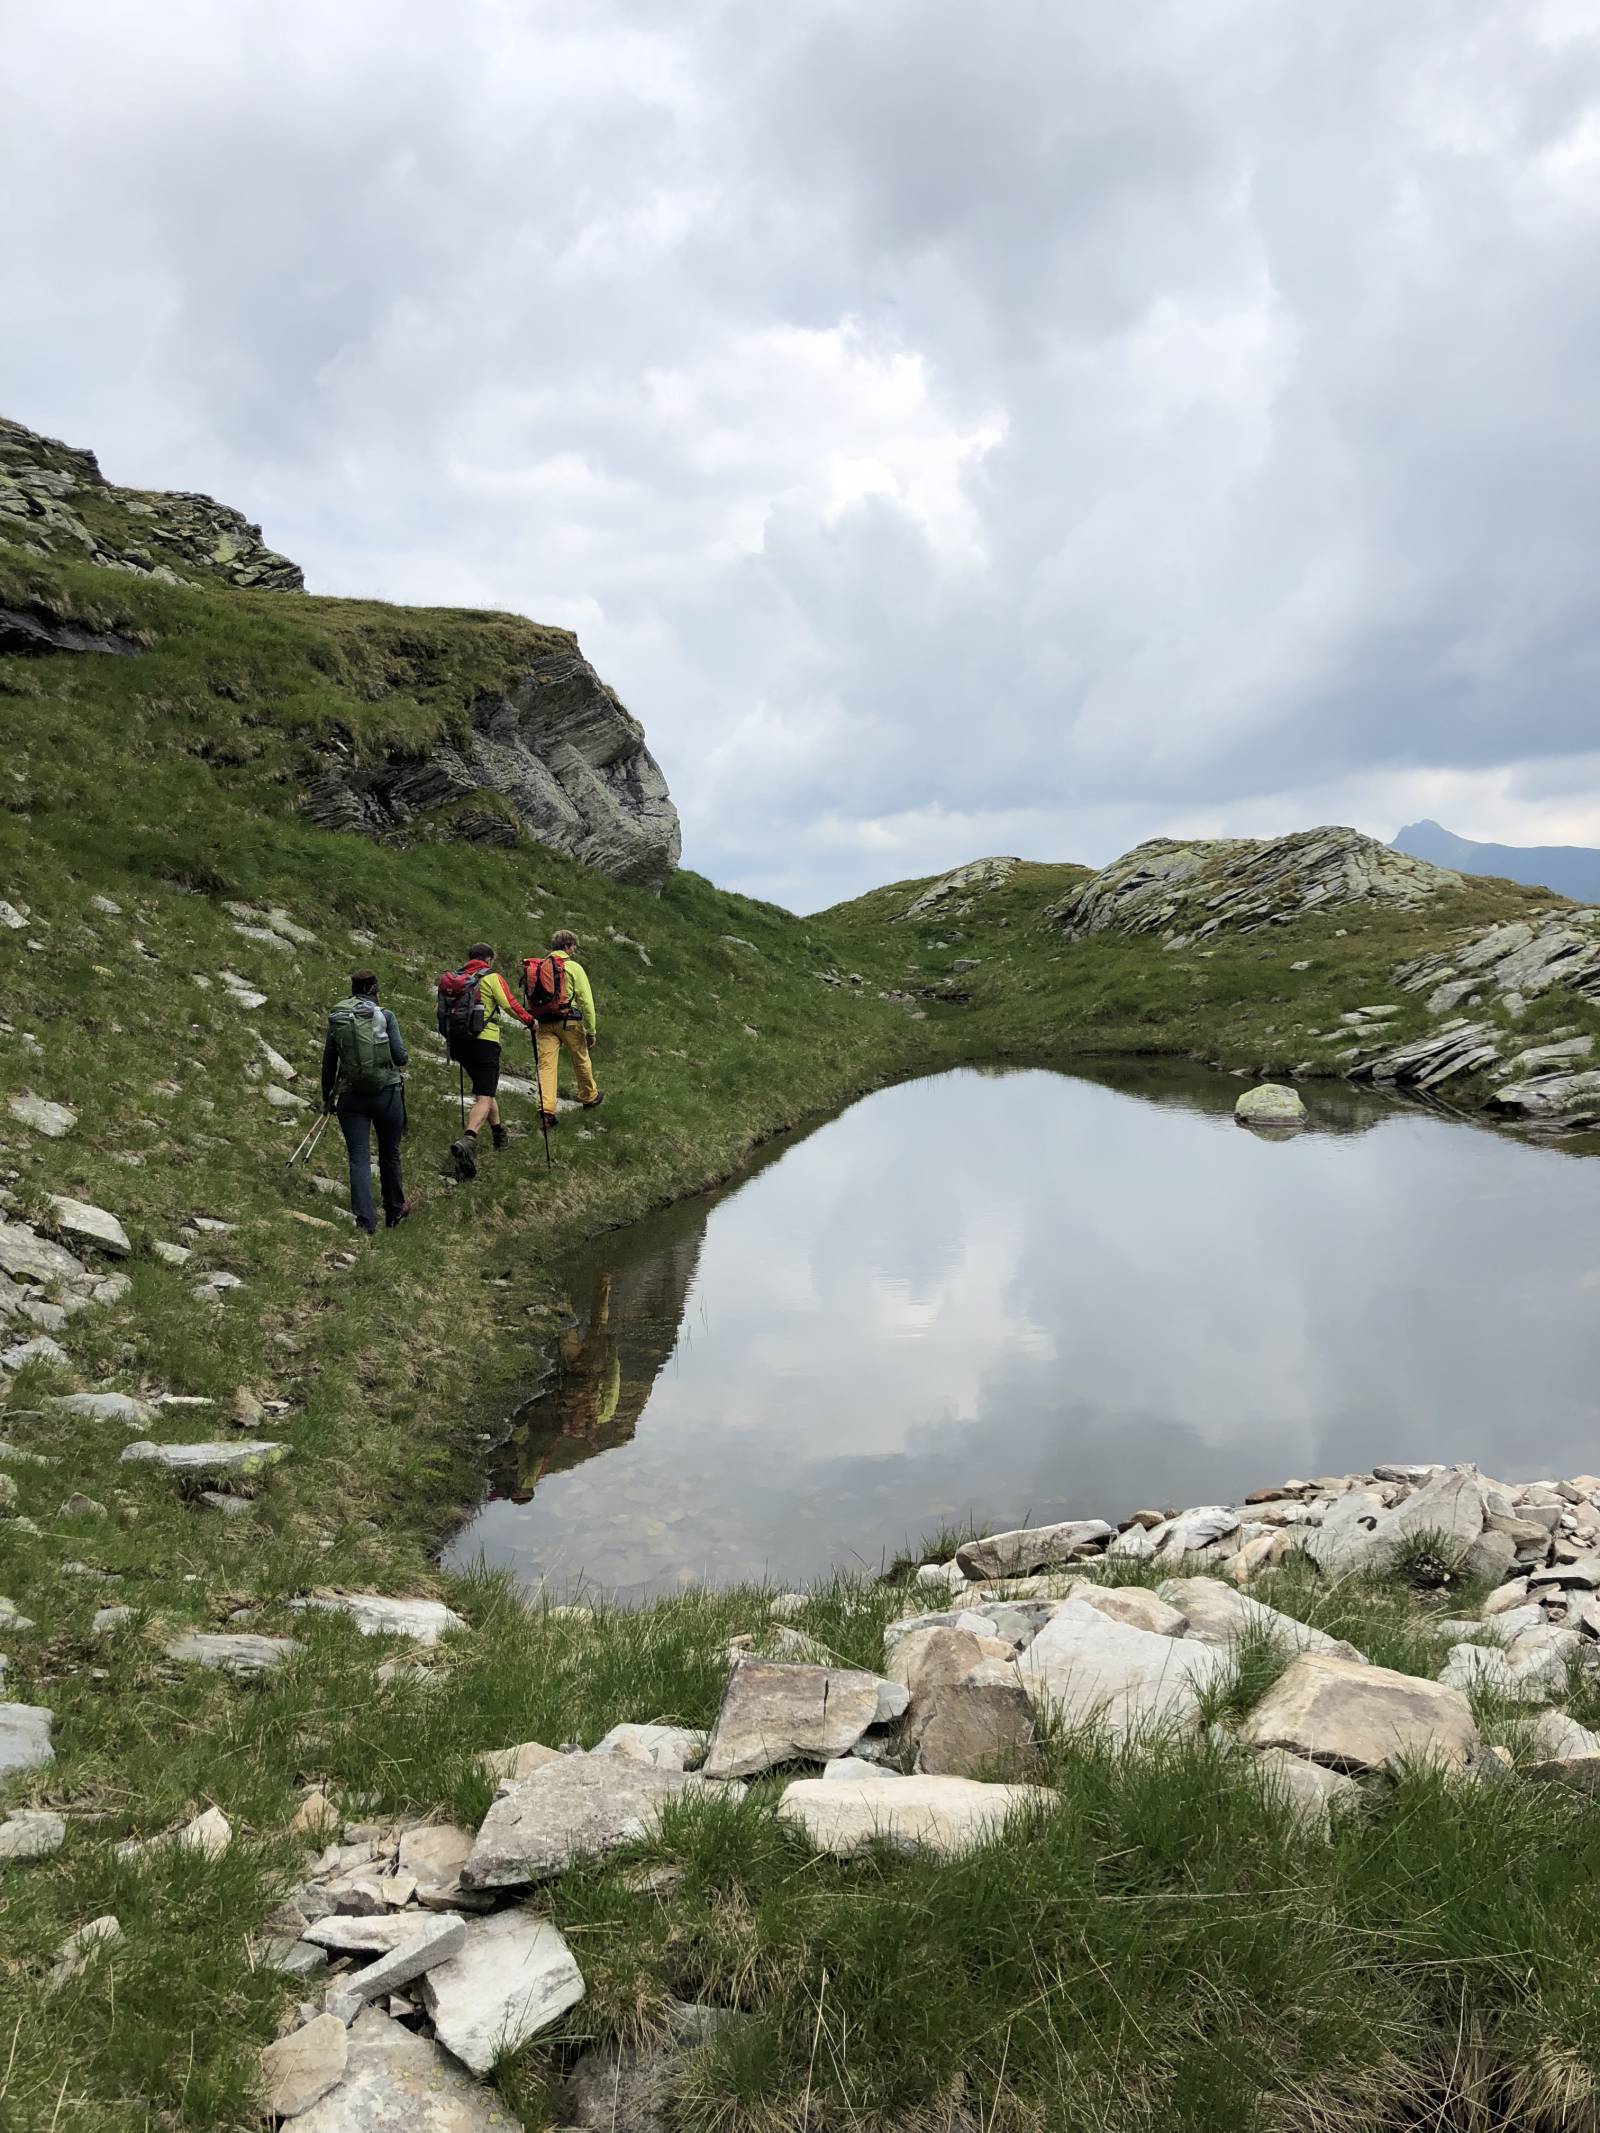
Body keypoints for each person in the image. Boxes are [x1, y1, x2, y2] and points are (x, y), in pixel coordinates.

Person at [322, 971, 410, 1234]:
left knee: (358, 1158)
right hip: (387, 1093)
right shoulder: (385, 1015)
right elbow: (401, 1057)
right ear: (374, 989)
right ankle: (394, 1211)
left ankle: (365, 1222)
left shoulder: (338, 1018)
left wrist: (327, 1097)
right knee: (389, 1154)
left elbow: (329, 1063)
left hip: (351, 1097)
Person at [438, 942, 534, 1180]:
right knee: (484, 1095)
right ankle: (469, 1138)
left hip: (459, 1043)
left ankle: (499, 1135)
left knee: (486, 1089)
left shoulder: (453, 979)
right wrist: (531, 1022)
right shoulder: (491, 978)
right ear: (489, 960)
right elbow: (510, 1004)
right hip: (485, 1042)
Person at [528, 928, 603, 1127]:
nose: (574, 950)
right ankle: (589, 1097)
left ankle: (546, 1111)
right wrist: (591, 1030)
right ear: (567, 946)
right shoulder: (573, 967)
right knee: (580, 1059)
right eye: (573, 946)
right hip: (569, 1021)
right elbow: (586, 1001)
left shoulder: (539, 966)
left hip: (544, 1022)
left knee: (546, 1066)